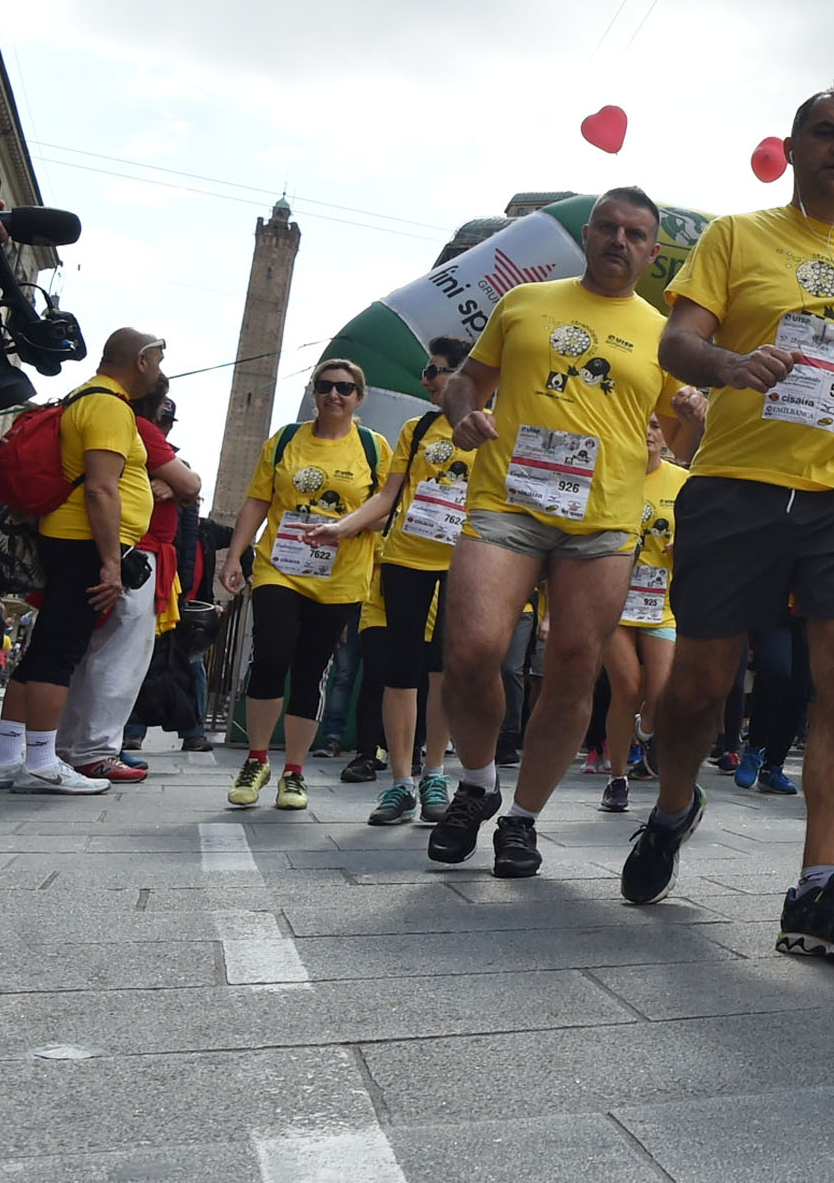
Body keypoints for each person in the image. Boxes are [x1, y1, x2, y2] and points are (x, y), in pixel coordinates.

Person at [624, 91, 834, 961]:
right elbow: (676, 344)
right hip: (738, 485)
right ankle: (673, 806)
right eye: (826, 133)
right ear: (791, 149)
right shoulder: (735, 236)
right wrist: (730, 363)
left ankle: (817, 888)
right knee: (699, 683)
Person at [418, 190, 682, 877]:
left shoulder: (663, 335)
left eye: (635, 234)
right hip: (508, 503)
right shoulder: (524, 302)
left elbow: (680, 436)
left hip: (603, 521)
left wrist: (687, 417)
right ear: (587, 235)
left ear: (652, 253)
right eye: (608, 228)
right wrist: (462, 414)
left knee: (572, 666)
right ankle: (477, 784)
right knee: (472, 649)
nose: (619, 240)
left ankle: (522, 818)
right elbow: (466, 382)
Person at [0, 330, 174, 798]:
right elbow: (101, 488)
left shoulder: (85, 397)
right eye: (157, 360)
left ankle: (4, 758)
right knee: (60, 654)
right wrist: (110, 563)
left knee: (43, 650)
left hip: (68, 539)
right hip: (84, 542)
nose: (158, 369)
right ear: (142, 360)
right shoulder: (110, 407)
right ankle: (41, 763)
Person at [308, 337, 473, 825]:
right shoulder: (415, 429)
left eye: (435, 371)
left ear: (463, 375)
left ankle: (435, 773)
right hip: (405, 558)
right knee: (400, 670)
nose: (426, 380)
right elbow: (388, 495)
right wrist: (344, 526)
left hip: (462, 563)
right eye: (425, 371)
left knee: (443, 670)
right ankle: (400, 783)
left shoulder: (492, 428)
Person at [217, 357, 386, 810]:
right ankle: (256, 759)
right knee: (270, 655)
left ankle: (294, 771)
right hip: (281, 566)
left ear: (359, 397)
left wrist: (347, 526)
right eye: (325, 386)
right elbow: (258, 500)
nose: (334, 395)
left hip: (338, 576)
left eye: (345, 388)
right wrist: (234, 555)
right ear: (314, 392)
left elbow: (387, 508)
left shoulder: (373, 448)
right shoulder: (285, 440)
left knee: (311, 670)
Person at [53, 389, 198, 783]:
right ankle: (94, 751)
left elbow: (185, 485)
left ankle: (71, 747)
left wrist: (174, 481)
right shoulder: (140, 429)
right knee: (118, 657)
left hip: (118, 552)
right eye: (163, 419)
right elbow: (190, 484)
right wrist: (176, 480)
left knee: (89, 655)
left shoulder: (116, 424)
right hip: (133, 556)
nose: (164, 429)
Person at [607, 390, 707, 808]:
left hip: (661, 603)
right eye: (641, 425)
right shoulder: (613, 474)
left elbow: (701, 532)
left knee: (662, 689)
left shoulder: (681, 481)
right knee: (627, 687)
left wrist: (685, 548)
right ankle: (617, 778)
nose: (648, 433)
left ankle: (646, 730)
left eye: (655, 426)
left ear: (666, 434)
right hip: (614, 602)